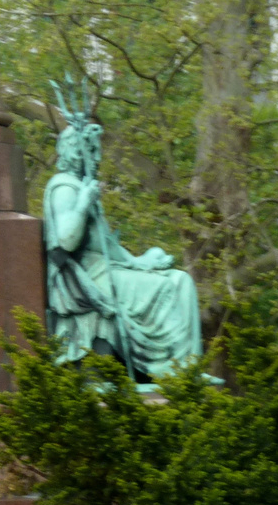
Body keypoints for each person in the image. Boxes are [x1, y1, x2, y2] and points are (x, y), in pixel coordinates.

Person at [44, 112, 202, 380]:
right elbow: (66, 241)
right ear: (76, 151)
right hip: (86, 276)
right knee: (168, 286)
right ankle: (175, 370)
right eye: (92, 151)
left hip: (107, 267)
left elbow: (105, 243)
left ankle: (185, 368)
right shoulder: (64, 188)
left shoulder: (81, 185)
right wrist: (83, 202)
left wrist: (140, 262)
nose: (97, 158)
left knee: (178, 280)